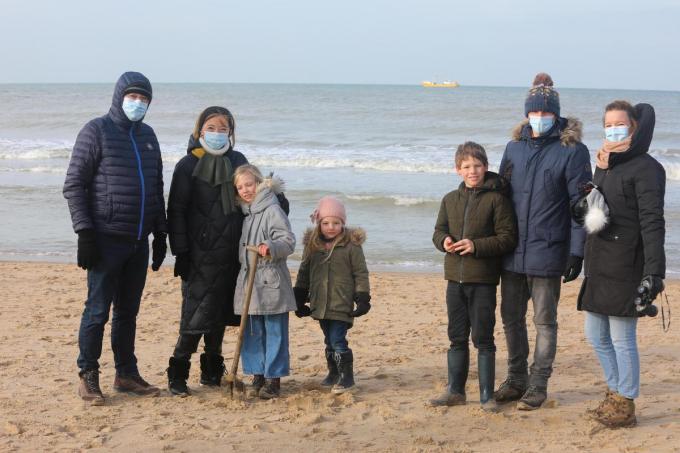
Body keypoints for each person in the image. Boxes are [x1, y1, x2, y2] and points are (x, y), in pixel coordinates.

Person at [63, 71, 167, 405]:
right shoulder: (96, 131)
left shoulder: (149, 136)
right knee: (97, 311)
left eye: (144, 99)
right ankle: (88, 376)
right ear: (119, 96)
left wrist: (160, 233)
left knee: (128, 312)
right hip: (105, 240)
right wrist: (85, 233)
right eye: (133, 97)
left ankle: (125, 373)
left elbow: (156, 188)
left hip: (138, 241)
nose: (138, 103)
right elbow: (74, 185)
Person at [494, 73, 592, 410]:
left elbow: (581, 206)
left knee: (544, 322)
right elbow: (499, 198)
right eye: (534, 112)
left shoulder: (573, 152)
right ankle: (515, 378)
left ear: (556, 114)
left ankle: (538, 384)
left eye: (545, 113)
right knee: (510, 318)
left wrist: (577, 251)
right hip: (511, 251)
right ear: (527, 114)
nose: (539, 118)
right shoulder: (513, 148)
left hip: (549, 251)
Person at [576, 101, 665, 428]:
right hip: (599, 261)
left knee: (621, 338)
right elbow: (601, 208)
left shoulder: (646, 168)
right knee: (595, 336)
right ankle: (614, 392)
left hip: (628, 263)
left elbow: (653, 222)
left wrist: (654, 273)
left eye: (620, 124)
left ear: (634, 128)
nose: (613, 129)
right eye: (608, 124)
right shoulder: (604, 162)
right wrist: (586, 208)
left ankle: (625, 402)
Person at [165, 106, 247, 396]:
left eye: (222, 128)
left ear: (231, 132)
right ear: (199, 131)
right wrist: (181, 252)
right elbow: (176, 211)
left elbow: (251, 195)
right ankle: (177, 373)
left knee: (220, 315)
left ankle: (212, 371)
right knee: (195, 316)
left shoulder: (238, 161)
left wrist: (277, 199)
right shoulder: (188, 165)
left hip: (231, 255)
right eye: (210, 128)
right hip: (198, 256)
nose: (216, 133)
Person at [428, 142, 517, 410]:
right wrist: (443, 241)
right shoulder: (449, 200)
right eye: (466, 166)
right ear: (458, 170)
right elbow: (437, 231)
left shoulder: (497, 199)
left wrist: (475, 246)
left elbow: (507, 239)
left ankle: (487, 395)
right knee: (456, 337)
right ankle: (455, 390)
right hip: (454, 279)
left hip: (483, 281)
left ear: (486, 167)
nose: (472, 171)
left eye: (477, 165)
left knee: (483, 339)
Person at [293, 196, 371, 394]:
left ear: (343, 223)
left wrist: (362, 298)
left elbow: (360, 273)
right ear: (319, 223)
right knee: (328, 339)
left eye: (336, 223)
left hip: (340, 301)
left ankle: (348, 379)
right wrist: (299, 297)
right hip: (320, 303)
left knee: (338, 339)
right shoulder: (313, 245)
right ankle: (334, 373)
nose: (331, 227)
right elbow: (304, 272)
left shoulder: (351, 246)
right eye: (326, 223)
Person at [232, 165, 296, 399]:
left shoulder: (271, 209)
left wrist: (271, 247)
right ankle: (257, 374)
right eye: (240, 187)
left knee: (274, 329)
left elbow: (288, 240)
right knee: (252, 330)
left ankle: (273, 378)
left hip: (271, 279)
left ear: (259, 183)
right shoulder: (247, 213)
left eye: (249, 184)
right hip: (249, 279)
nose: (245, 190)